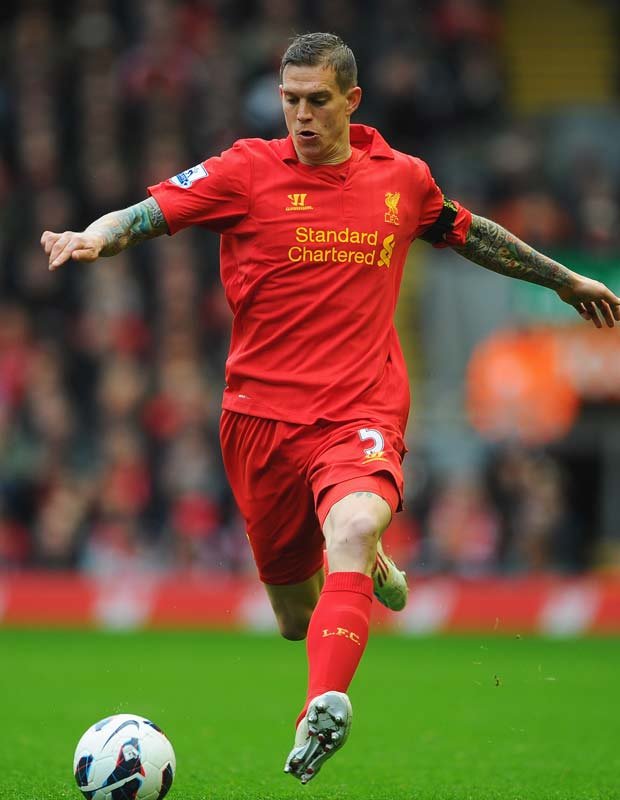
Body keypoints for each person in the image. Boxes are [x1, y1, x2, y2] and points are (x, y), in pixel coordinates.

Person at [41, 32, 620, 784]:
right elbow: (148, 213)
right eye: (291, 101)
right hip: (259, 421)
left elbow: (472, 234)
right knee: (294, 618)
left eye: (318, 100)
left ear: (352, 100)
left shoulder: (403, 179)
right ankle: (362, 558)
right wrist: (94, 235)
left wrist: (562, 279)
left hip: (359, 410)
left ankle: (323, 702)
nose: (302, 116)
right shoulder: (246, 170)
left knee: (351, 523)